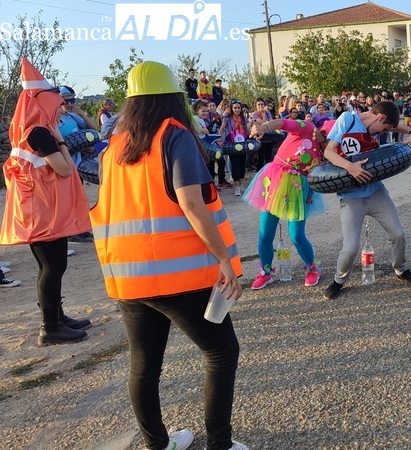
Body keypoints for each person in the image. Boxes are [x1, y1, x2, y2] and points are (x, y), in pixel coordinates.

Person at [89, 61, 247, 450]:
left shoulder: (113, 149)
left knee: (144, 366)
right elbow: (191, 203)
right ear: (175, 97)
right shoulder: (174, 135)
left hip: (128, 276)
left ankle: (158, 444)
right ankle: (220, 445)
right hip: (179, 275)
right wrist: (225, 259)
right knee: (221, 352)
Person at [0, 58, 93, 345]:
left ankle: (57, 316)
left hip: (39, 210)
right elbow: (65, 169)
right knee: (53, 267)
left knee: (50, 266)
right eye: (56, 102)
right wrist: (62, 142)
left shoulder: (24, 130)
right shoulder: (40, 132)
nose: (60, 107)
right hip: (43, 213)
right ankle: (50, 327)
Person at [321, 101, 411, 300]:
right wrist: (349, 167)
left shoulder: (379, 123)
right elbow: (328, 151)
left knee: (398, 234)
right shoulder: (347, 120)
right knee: (350, 247)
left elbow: (399, 126)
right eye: (385, 128)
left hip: (376, 191)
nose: (384, 132)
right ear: (380, 117)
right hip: (351, 196)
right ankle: (338, 281)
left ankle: (401, 270)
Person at [245, 116, 327, 289]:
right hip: (275, 184)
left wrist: (310, 193)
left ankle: (312, 268)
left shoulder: (324, 153)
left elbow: (315, 176)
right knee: (265, 234)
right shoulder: (307, 127)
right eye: (329, 138)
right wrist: (264, 127)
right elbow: (283, 123)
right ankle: (266, 272)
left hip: (298, 191)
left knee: (296, 235)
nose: (331, 144)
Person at [217, 100, 249, 196]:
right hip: (232, 144)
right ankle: (236, 187)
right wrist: (219, 139)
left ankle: (241, 185)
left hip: (242, 143)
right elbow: (222, 128)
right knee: (235, 165)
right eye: (235, 108)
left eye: (239, 108)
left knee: (242, 164)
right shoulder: (227, 118)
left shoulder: (243, 118)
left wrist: (250, 136)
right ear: (232, 108)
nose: (237, 109)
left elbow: (247, 130)